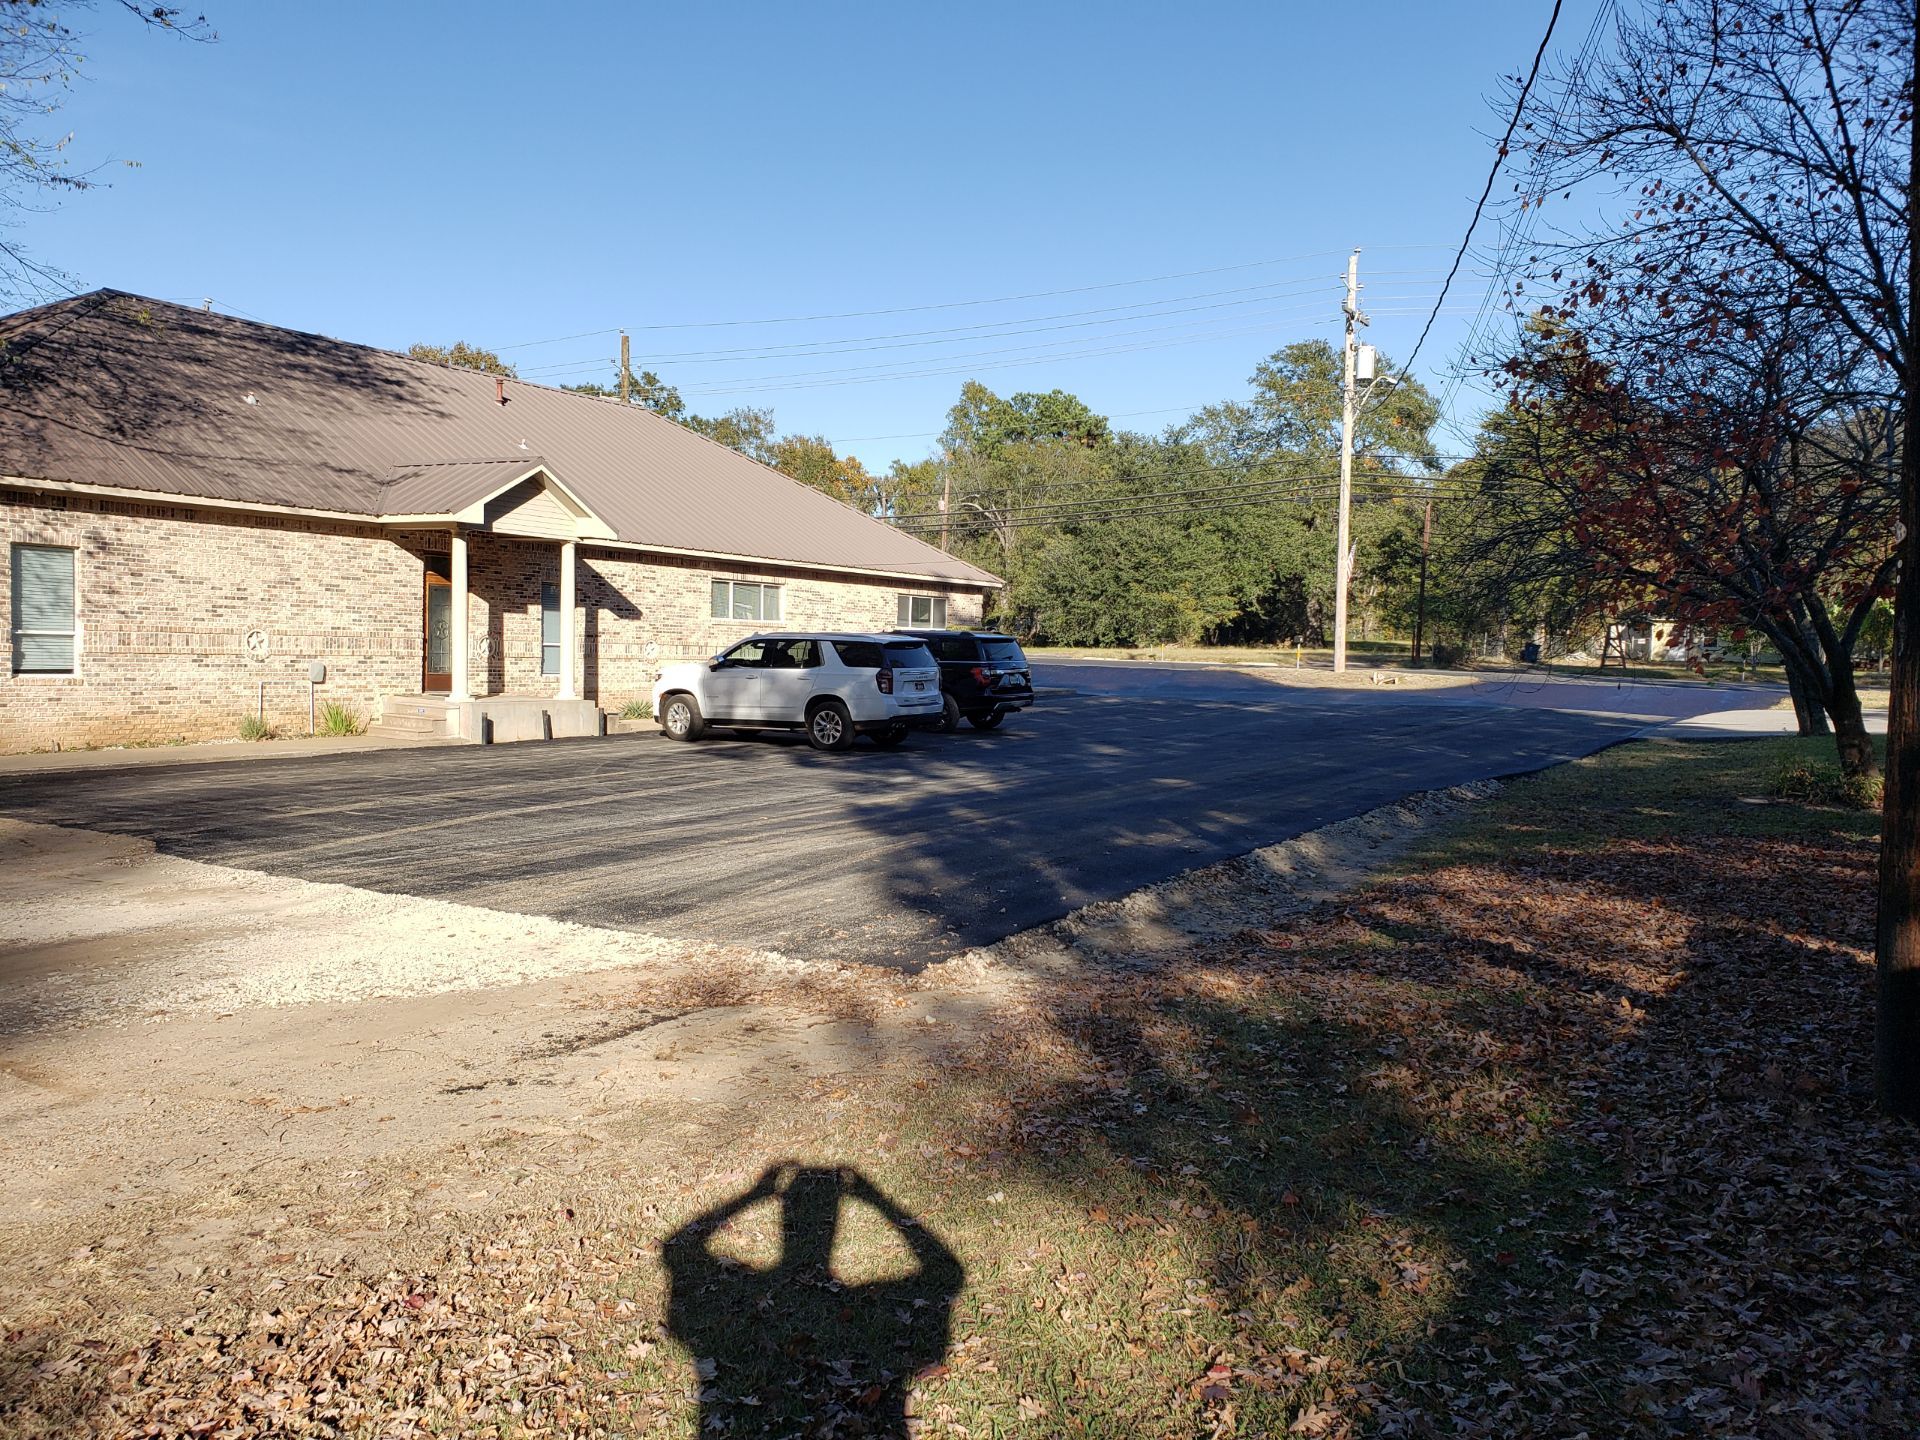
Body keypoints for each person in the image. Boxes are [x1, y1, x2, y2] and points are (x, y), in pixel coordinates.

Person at [664, 1163, 963, 1438]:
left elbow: (677, 1250)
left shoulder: (751, 1293)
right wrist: (876, 1199)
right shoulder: (863, 1302)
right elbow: (948, 1272)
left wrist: (755, 1194)